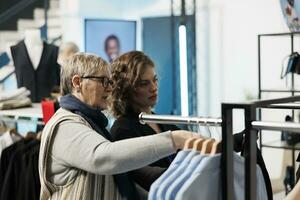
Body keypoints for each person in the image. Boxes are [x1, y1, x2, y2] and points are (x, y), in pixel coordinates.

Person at [38, 52, 199, 200]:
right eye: (103, 81)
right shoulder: (66, 124)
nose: (109, 87)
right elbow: (104, 157)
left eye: (110, 82)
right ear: (77, 82)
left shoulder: (93, 124)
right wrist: (174, 139)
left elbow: (121, 185)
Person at [110, 51, 180, 191]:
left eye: (155, 80)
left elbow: (200, 150)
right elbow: (142, 175)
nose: (154, 88)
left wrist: (234, 140)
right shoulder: (122, 130)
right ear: (126, 89)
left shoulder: (162, 122)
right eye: (144, 83)